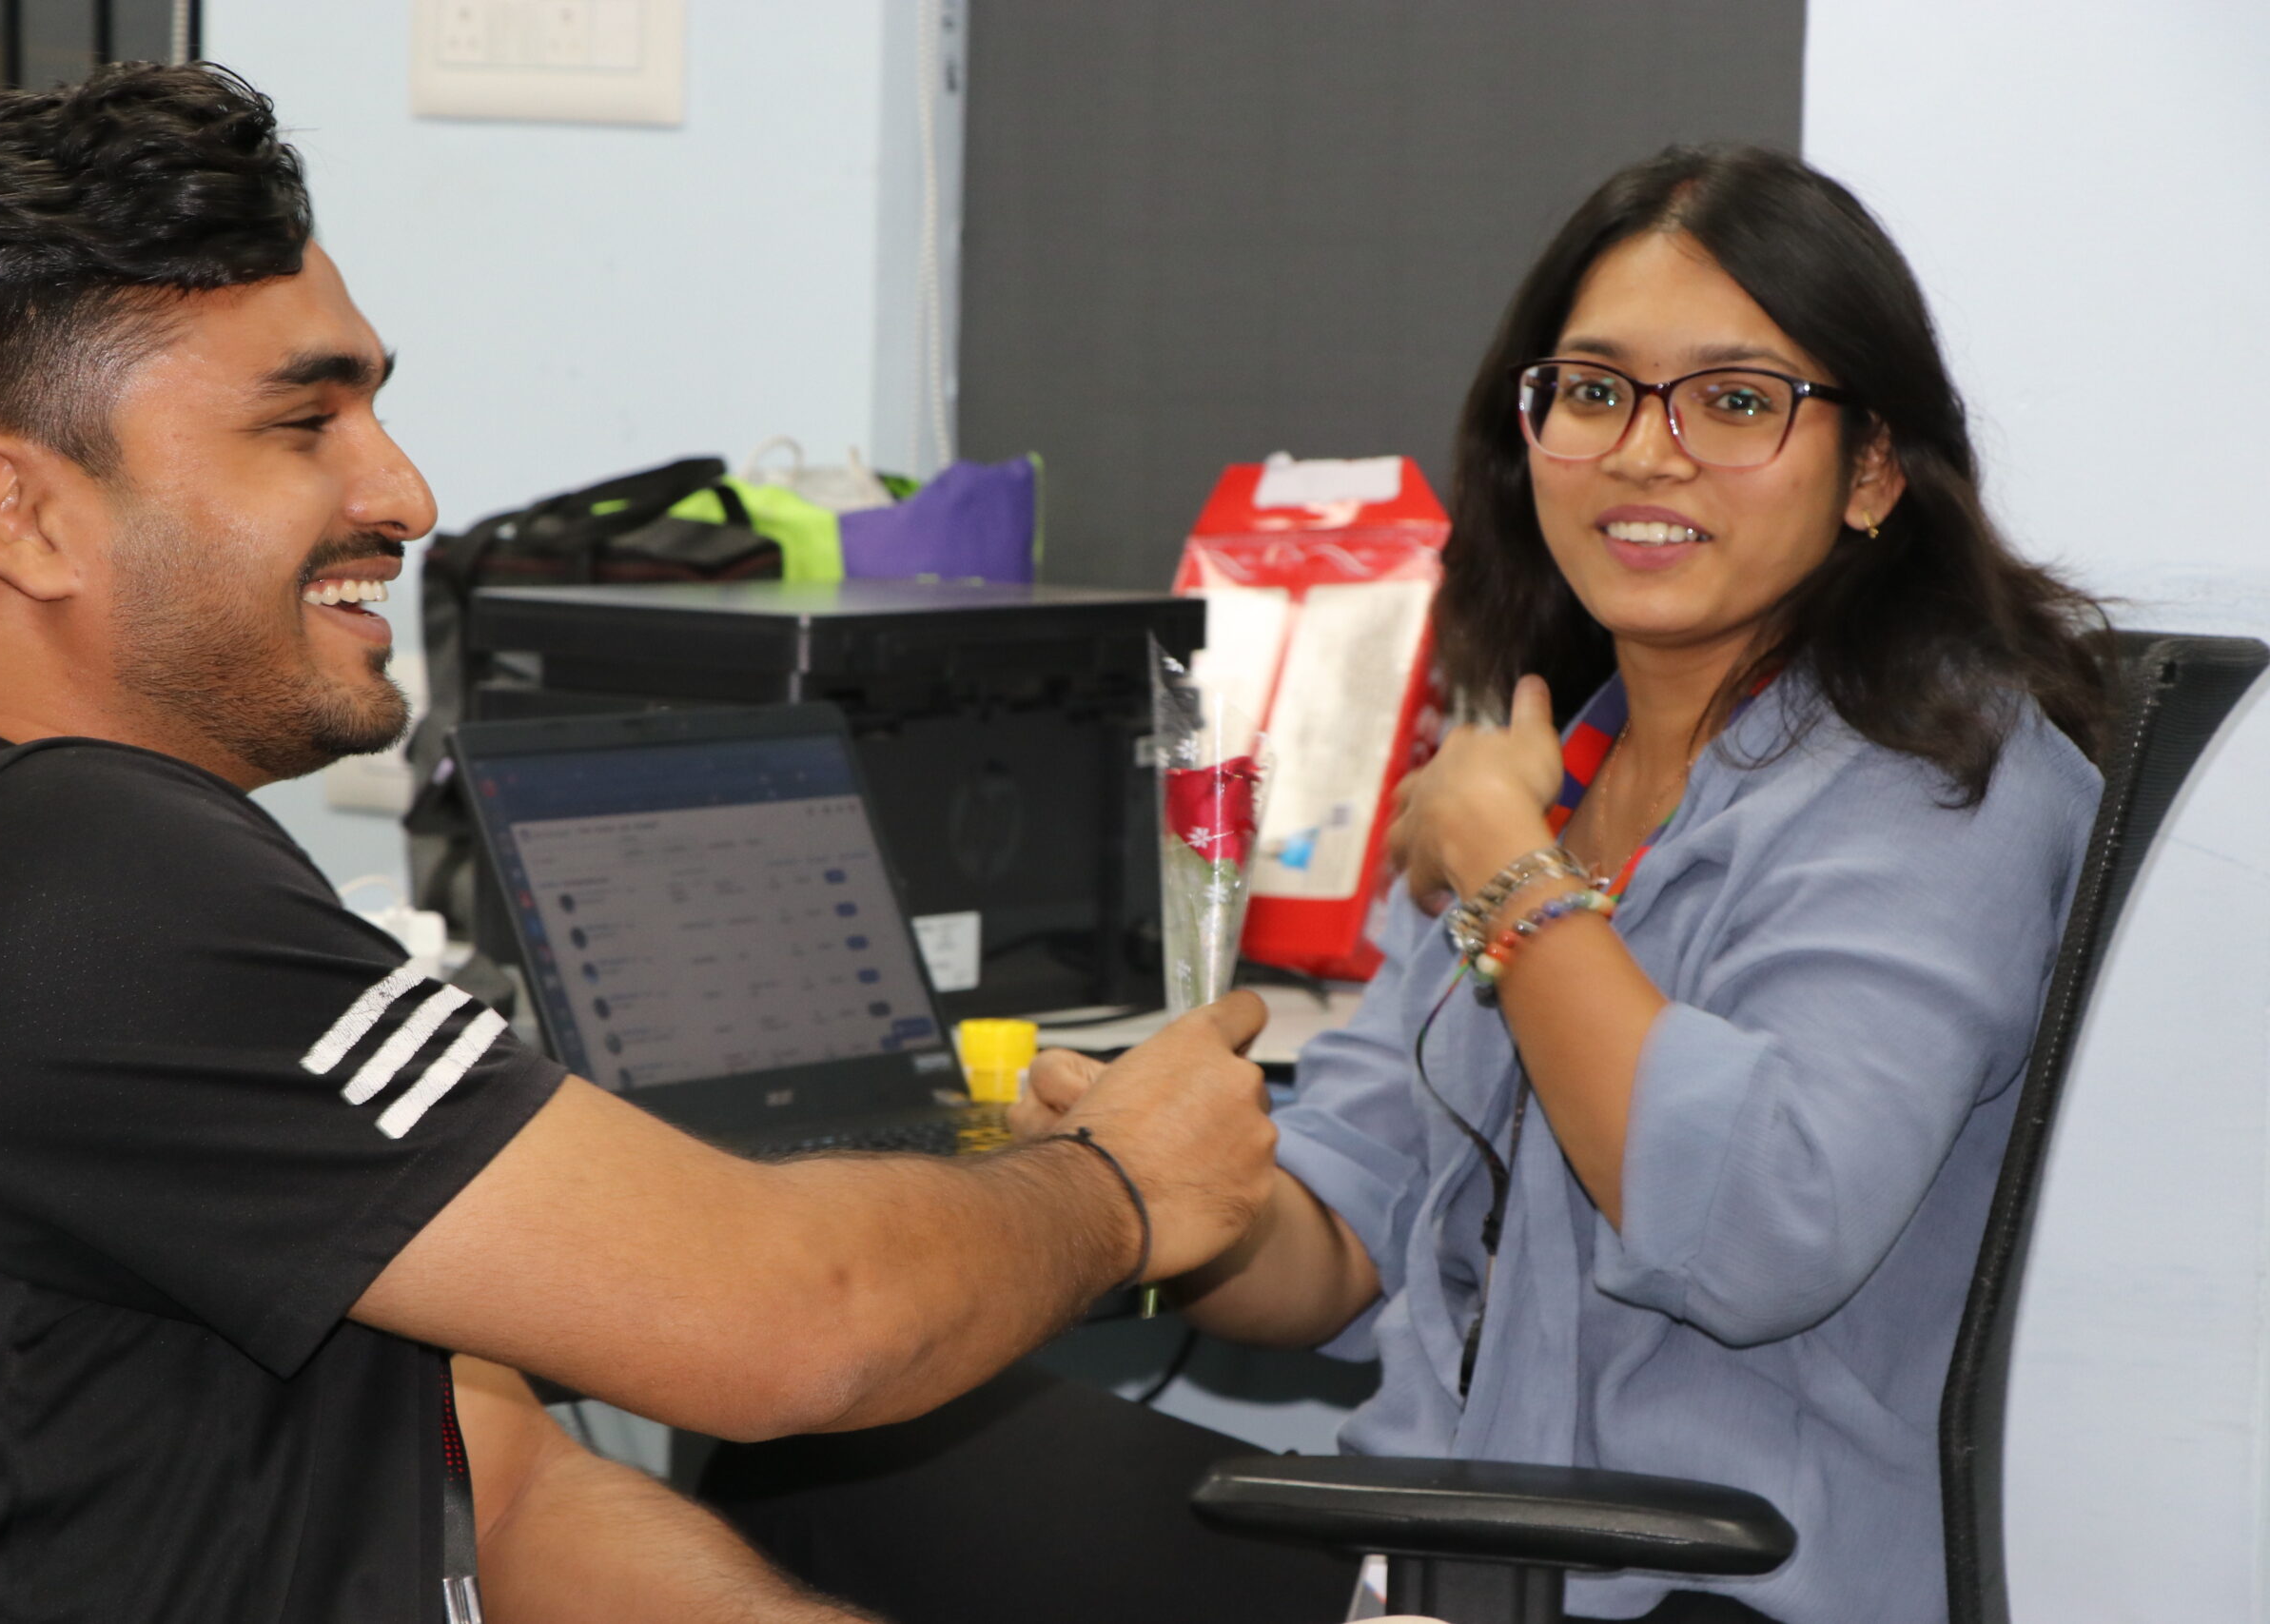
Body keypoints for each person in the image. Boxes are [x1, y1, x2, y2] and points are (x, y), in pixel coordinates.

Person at [0, 62, 1312, 1624]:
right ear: (25, 517)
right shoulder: (60, 874)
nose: (405, 494)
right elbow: (794, 1322)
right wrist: (1119, 1189)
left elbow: (507, 1483)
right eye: (303, 422)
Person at [704, 146, 2107, 1624]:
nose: (1648, 452)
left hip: (1690, 1592)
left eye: (1738, 402)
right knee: (809, 1458)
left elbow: (1760, 1235)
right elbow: (1341, 1239)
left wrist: (1508, 871)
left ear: (1873, 469)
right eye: (1595, 390)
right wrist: (1154, 1190)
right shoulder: (1543, 759)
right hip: (1440, 1548)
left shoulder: (1944, 786)